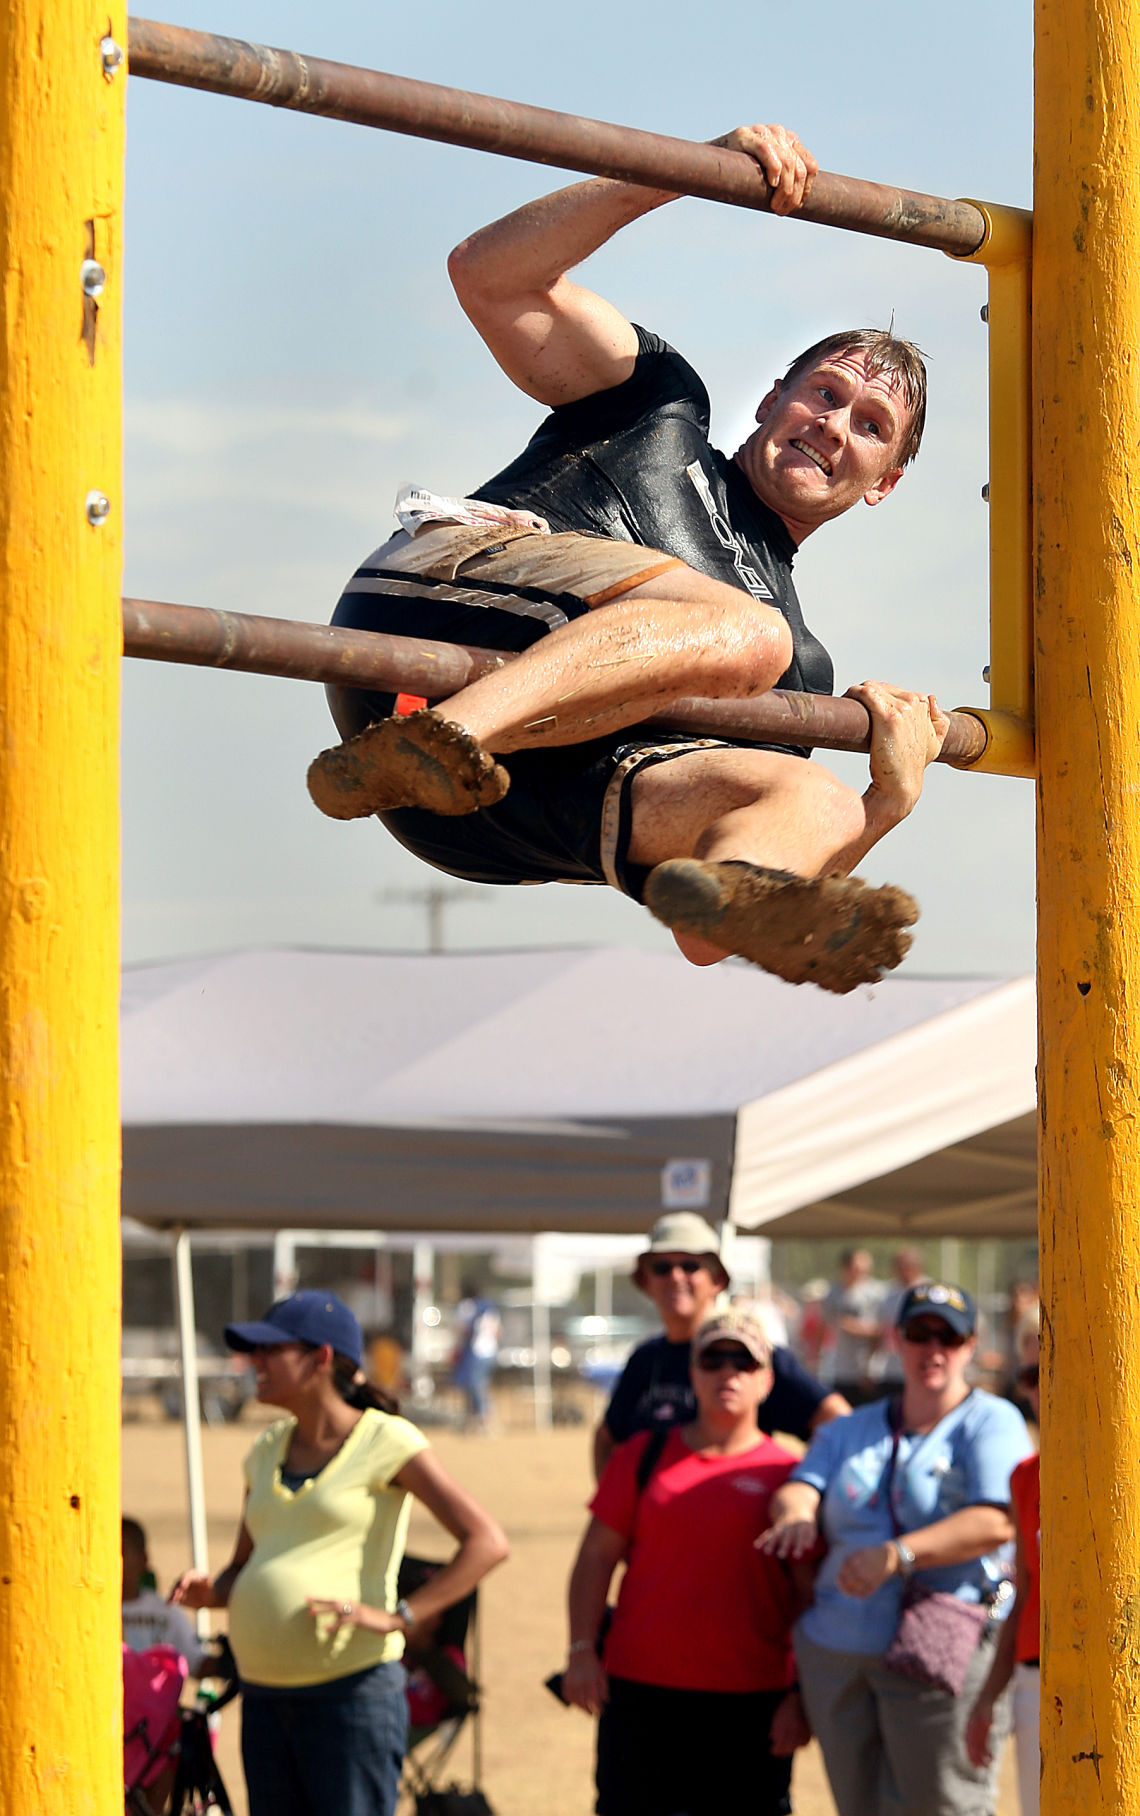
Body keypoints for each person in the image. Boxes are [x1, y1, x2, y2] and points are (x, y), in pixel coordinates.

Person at [308, 124, 948, 995]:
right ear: (772, 399)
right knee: (746, 635)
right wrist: (680, 173)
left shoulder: (800, 665)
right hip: (434, 611)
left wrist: (887, 800)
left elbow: (709, 945)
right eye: (824, 393)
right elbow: (489, 277)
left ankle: (447, 745)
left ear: (885, 482)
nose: (834, 425)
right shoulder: (655, 408)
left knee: (813, 796)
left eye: (870, 424)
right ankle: (442, 733)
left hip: (488, 817)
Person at [171, 1289, 509, 1816]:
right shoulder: (264, 1450)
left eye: (269, 1350)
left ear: (322, 1358)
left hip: (350, 1697)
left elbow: (486, 1543)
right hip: (262, 1697)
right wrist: (210, 1592)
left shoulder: (388, 1441)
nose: (254, 1362)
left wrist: (399, 1616)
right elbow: (244, 1567)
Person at [759, 1281, 1032, 1816]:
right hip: (838, 1651)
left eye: (948, 1337)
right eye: (918, 1333)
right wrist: (795, 1512)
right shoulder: (853, 1427)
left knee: (943, 1804)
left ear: (970, 1345)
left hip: (939, 1650)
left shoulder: (990, 1420)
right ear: (896, 1340)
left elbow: (998, 1519)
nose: (933, 1349)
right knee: (858, 1807)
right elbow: (801, 1483)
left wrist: (898, 1554)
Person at [563, 1311, 813, 1816]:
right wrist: (581, 1650)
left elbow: (811, 1598)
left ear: (766, 1381)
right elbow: (595, 1558)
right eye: (713, 1360)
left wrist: (801, 1696)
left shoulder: (793, 1479)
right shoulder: (641, 1455)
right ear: (692, 1374)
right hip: (640, 1692)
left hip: (752, 1700)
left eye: (743, 1363)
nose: (728, 1373)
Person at [593, 1212, 849, 1479]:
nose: (676, 1277)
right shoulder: (645, 1360)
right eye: (662, 1267)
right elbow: (607, 1437)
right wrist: (616, 1507)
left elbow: (836, 1419)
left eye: (690, 1266)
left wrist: (804, 1488)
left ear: (716, 1280)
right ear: (646, 1281)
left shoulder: (749, 1355)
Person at [965, 1348, 1041, 1816]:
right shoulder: (1025, 1477)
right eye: (1034, 1374)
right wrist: (988, 1697)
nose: (1045, 1385)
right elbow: (1025, 1590)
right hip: (1037, 1677)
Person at [122, 1514, 208, 1676]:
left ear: (143, 1560)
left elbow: (196, 1661)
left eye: (121, 1551)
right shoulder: (91, 1612)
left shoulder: (166, 1611)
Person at [822, 1246, 887, 1405]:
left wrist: (869, 1368)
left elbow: (881, 1329)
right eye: (857, 1267)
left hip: (867, 1371)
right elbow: (826, 1325)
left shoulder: (876, 1292)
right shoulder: (834, 1293)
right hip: (841, 1368)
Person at [871, 1246, 930, 1388]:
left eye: (908, 1265)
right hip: (892, 1371)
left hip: (922, 1370)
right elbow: (879, 1331)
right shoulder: (887, 1294)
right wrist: (870, 1365)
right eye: (899, 1265)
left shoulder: (930, 1291)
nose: (903, 1270)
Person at [450, 1277, 502, 1432]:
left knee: (474, 1386)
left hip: (474, 1353)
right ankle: (476, 1419)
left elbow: (461, 1330)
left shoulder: (467, 1307)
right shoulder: (490, 1307)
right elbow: (499, 1330)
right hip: (490, 1351)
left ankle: (482, 1418)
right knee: (479, 1385)